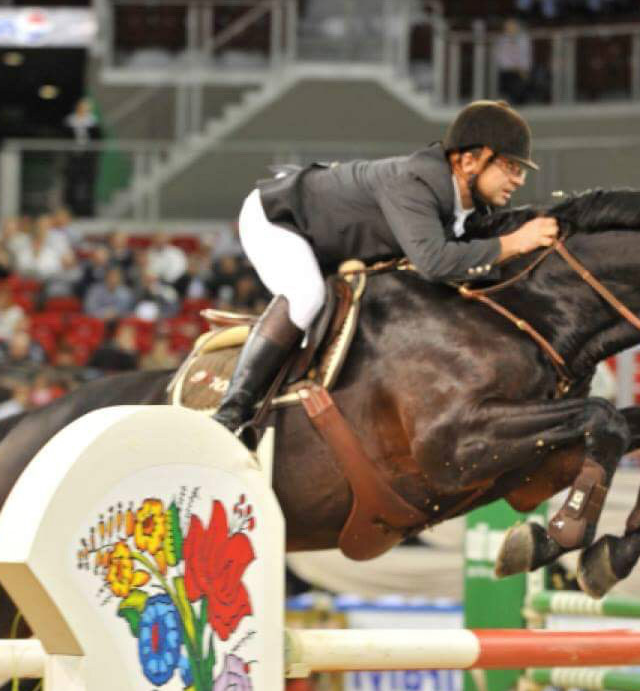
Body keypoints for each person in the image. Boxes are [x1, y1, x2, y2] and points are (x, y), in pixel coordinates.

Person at [211, 100, 558, 439]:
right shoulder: (413, 183)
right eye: (511, 168)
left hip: (325, 238)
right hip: (278, 218)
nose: (518, 180)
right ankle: (231, 411)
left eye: (521, 171)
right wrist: (514, 243)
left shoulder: (470, 206)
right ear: (469, 160)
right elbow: (435, 262)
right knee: (306, 296)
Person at [64, 96, 104, 217]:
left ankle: (88, 211)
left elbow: (99, 139)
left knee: (88, 185)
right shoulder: (69, 122)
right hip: (73, 158)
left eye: (86, 109)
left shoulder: (93, 123)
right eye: (82, 108)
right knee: (72, 184)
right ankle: (70, 211)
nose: (84, 110)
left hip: (88, 159)